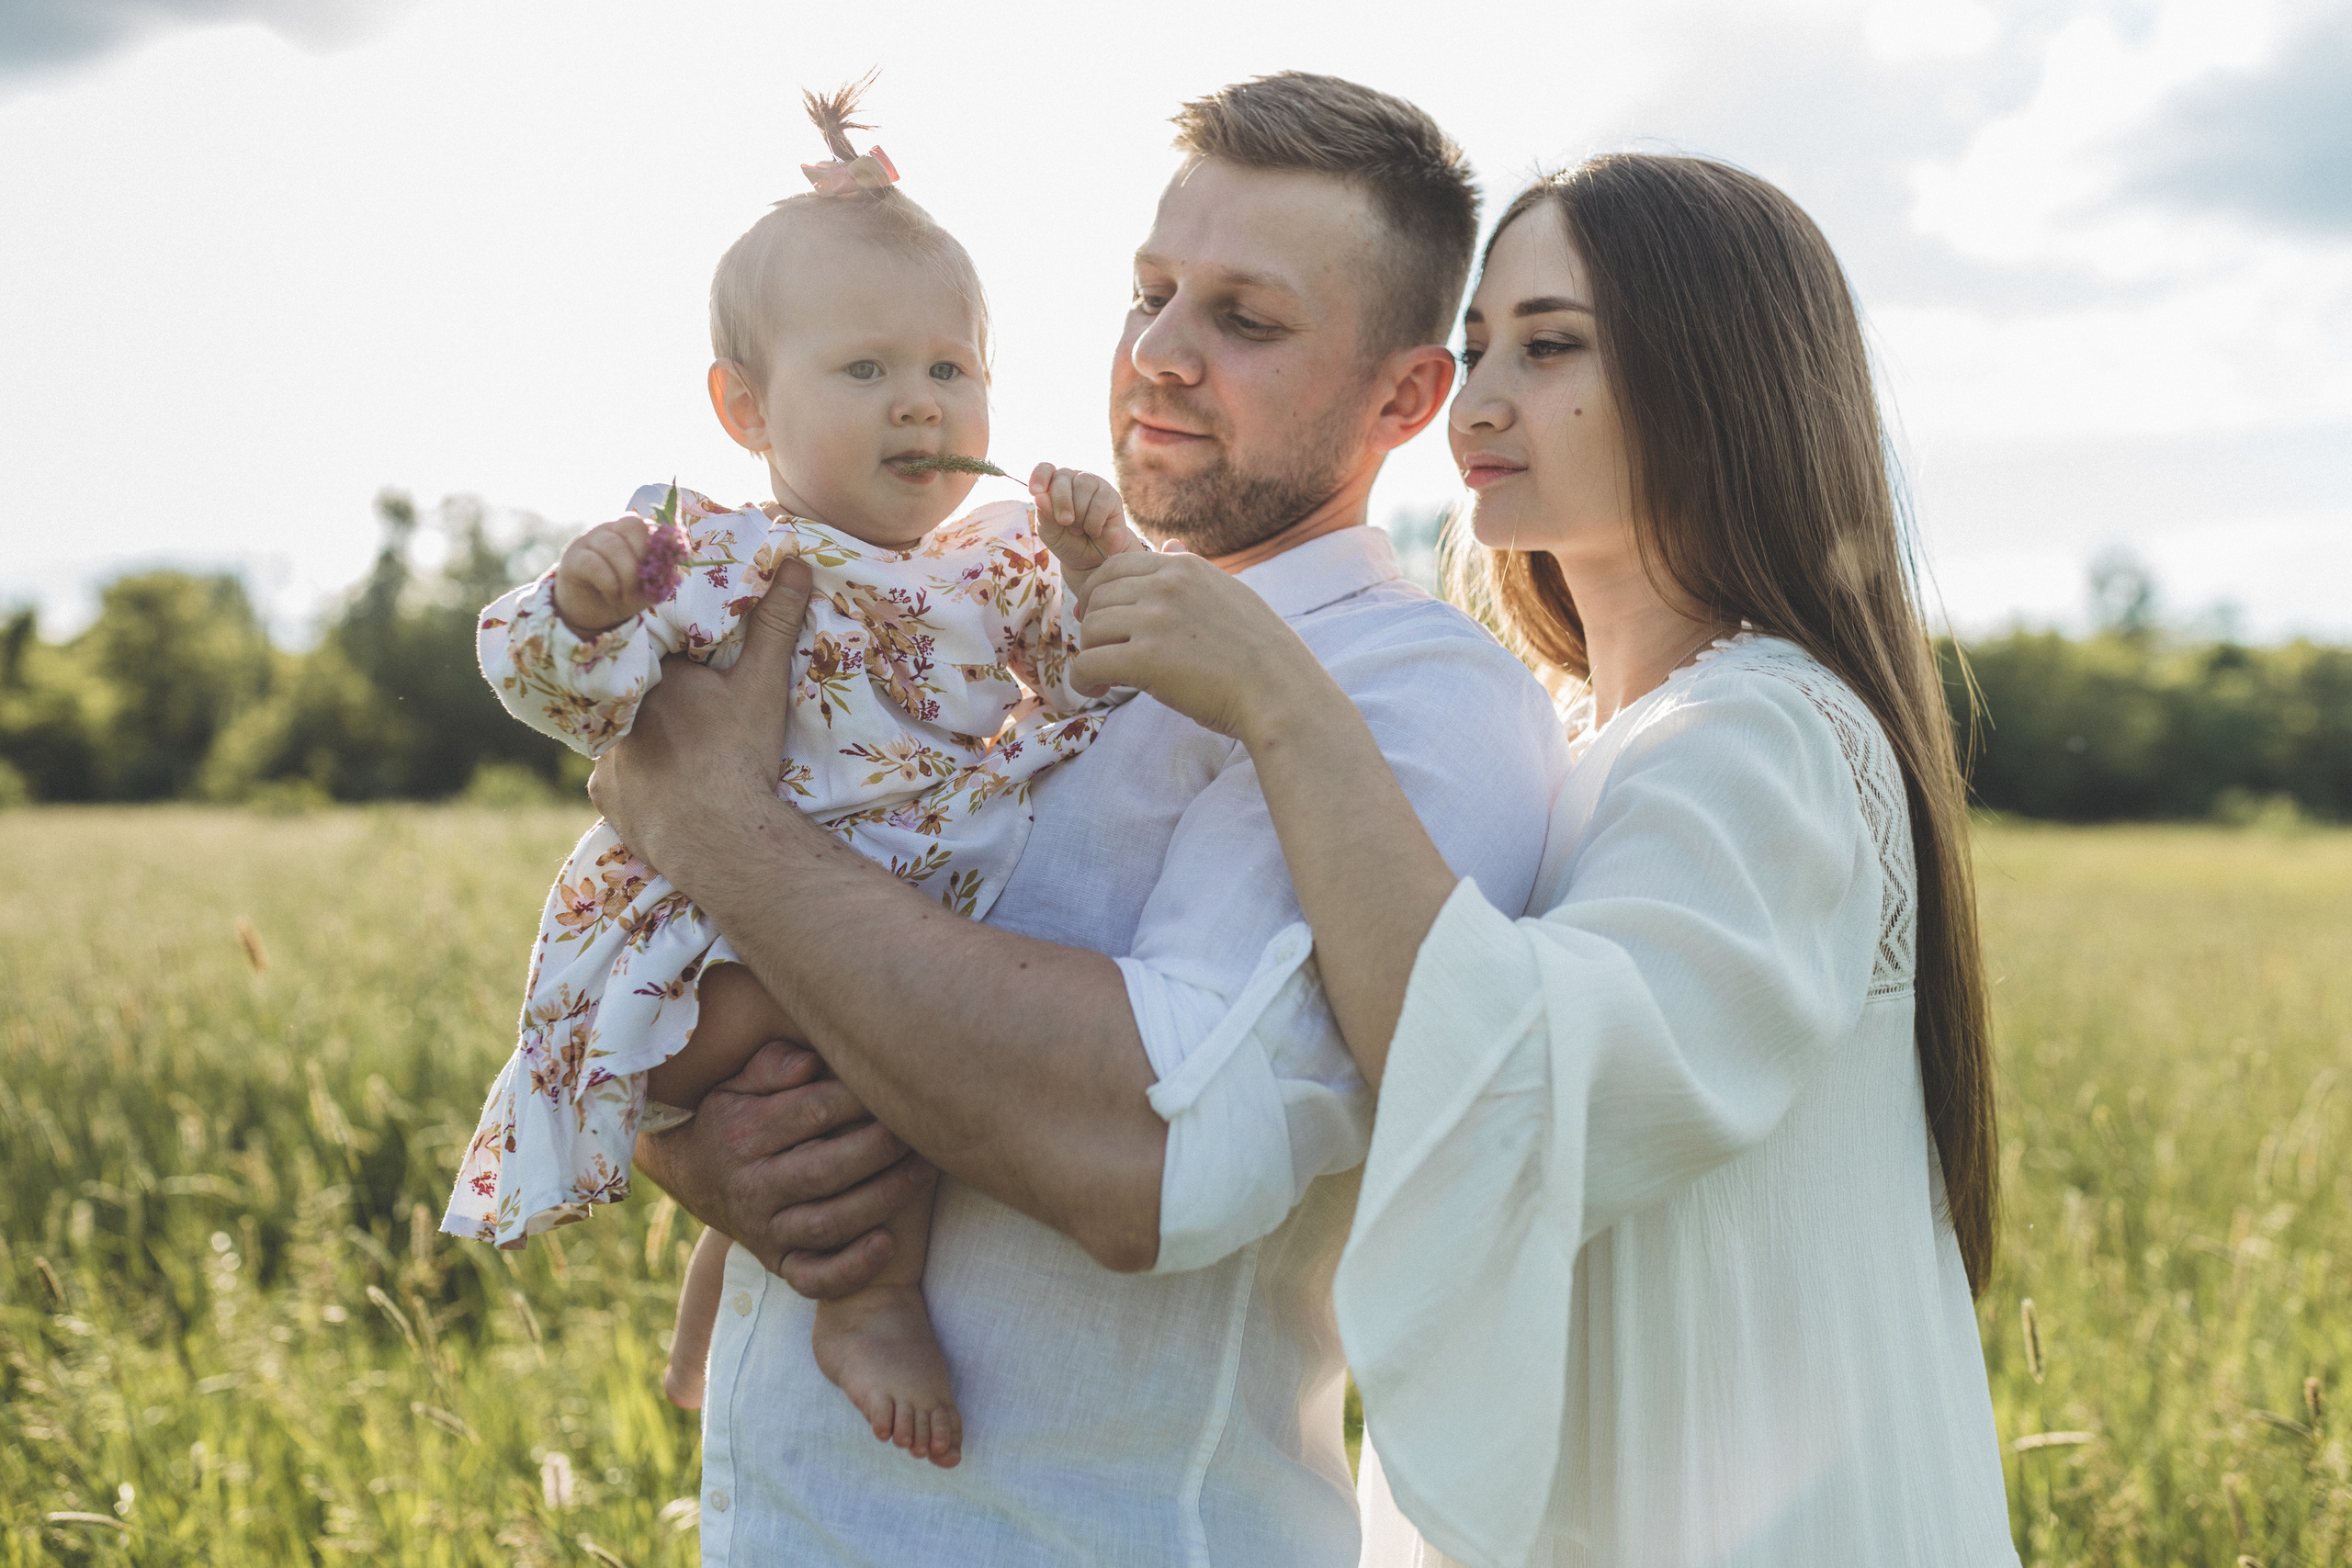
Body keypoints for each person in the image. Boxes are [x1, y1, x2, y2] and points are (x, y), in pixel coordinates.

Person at [588, 74, 1568, 1565]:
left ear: (1403, 399)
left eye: (1244, 319)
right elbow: (751, 949)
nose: (1160, 357)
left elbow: (1151, 1156)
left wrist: (715, 825)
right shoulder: (985, 598)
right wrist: (703, 1145)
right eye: (1149, 293)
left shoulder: (1409, 693)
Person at [1070, 155, 2020, 1565]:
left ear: (1717, 377)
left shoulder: (1766, 734)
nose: (1484, 398)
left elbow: (1513, 1079)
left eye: (1553, 344)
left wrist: (1280, 700)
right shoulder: (1582, 740)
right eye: (1474, 348)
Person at [440, 82, 1144, 1470]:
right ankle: (867, 1301)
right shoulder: (712, 558)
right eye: (866, 371)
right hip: (702, 949)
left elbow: (1090, 686)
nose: (920, 404)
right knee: (846, 1036)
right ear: (745, 407)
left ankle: (727, 1298)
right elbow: (564, 697)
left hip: (872, 907)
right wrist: (580, 613)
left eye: (952, 369)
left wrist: (1095, 565)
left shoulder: (993, 556)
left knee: (892, 1028)